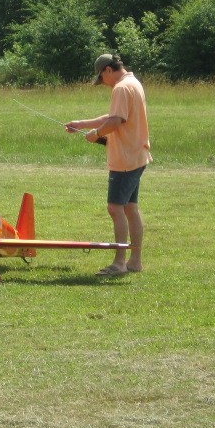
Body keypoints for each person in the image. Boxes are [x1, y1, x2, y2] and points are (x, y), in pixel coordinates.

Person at [65, 53, 152, 276]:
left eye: (101, 78)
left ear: (108, 70)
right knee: (130, 208)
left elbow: (114, 121)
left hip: (124, 159)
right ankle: (135, 261)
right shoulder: (133, 83)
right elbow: (113, 115)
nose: (102, 83)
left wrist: (95, 134)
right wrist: (82, 124)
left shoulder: (121, 88)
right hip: (136, 155)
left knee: (115, 208)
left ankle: (120, 263)